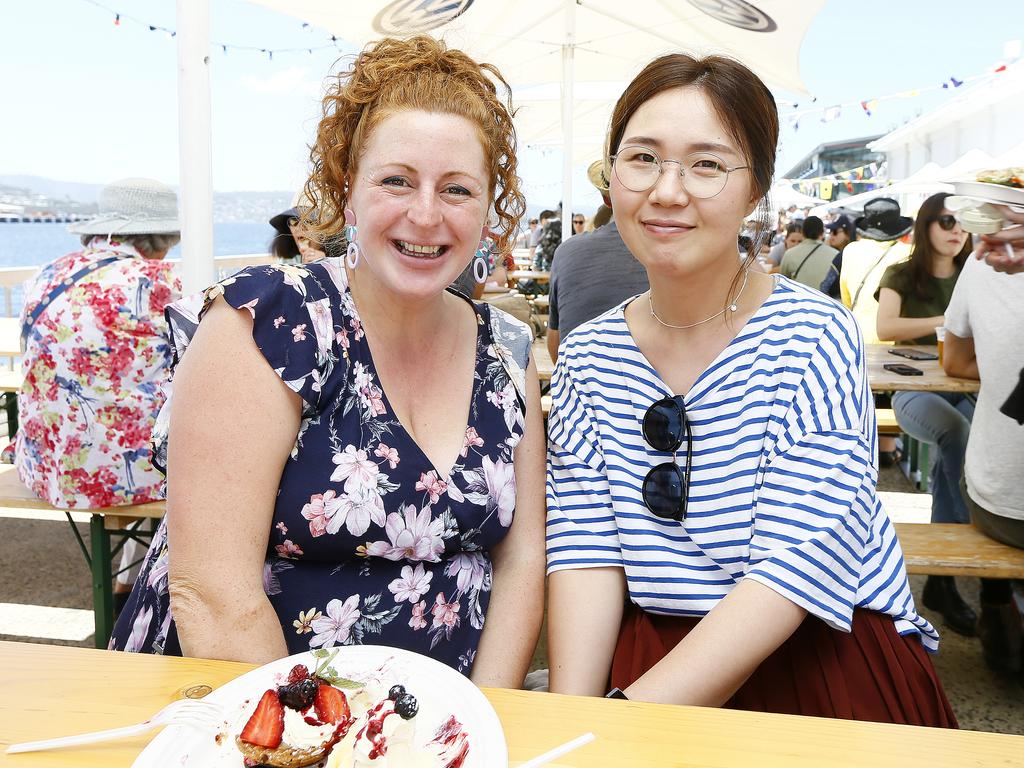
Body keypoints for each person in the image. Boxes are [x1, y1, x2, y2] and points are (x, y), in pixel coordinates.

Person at [109, 36, 546, 684]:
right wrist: (320, 744)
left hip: (439, 730)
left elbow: (521, 561)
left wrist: (485, 717)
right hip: (249, 709)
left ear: (488, 211)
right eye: (396, 180)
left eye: (456, 190)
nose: (425, 215)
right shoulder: (268, 322)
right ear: (347, 190)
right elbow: (214, 596)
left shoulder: (509, 352)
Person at [545, 52, 954, 726]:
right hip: (657, 653)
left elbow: (796, 566)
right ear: (613, 173)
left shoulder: (814, 333)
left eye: (707, 164)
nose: (667, 190)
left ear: (756, 188)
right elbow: (586, 552)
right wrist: (571, 720)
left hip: (820, 649)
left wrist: (619, 725)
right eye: (642, 158)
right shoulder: (589, 357)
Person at [16, 177, 182, 611]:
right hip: (117, 477)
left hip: (44, 467)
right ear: (161, 238)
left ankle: (129, 584)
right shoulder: (158, 281)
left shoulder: (47, 273)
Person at [875, 192, 975, 637]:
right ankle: (944, 576)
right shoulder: (901, 272)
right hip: (911, 391)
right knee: (956, 433)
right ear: (927, 225)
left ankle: (960, 573)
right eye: (947, 220)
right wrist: (946, 320)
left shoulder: (978, 271)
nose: (957, 231)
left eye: (964, 223)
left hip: (968, 386)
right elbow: (886, 328)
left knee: (980, 436)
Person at [943, 208, 1024, 678]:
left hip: (998, 503)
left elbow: (953, 360)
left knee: (956, 439)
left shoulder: (982, 259)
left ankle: (995, 605)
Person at [546, 159, 648, 363]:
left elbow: (556, 348)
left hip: (579, 386)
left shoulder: (567, 251)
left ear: (606, 199)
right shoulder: (684, 255)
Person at [838, 197, 912, 343]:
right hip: (894, 337)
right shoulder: (910, 252)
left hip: (857, 336)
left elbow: (846, 299)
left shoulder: (851, 251)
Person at [779, 215, 838, 290]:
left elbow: (782, 282)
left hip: (798, 299)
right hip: (825, 299)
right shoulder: (835, 255)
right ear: (822, 233)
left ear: (803, 232)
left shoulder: (789, 254)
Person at [269, 193, 326, 264]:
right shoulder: (287, 263)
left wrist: (326, 264)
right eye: (294, 221)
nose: (300, 227)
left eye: (309, 221)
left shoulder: (340, 262)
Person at [820, 213, 856, 299]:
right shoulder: (831, 251)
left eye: (835, 232)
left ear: (847, 234)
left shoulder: (845, 256)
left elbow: (824, 288)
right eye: (830, 232)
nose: (831, 236)